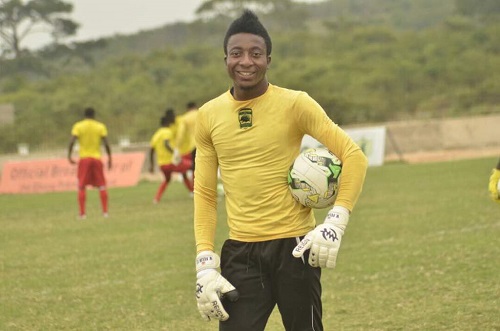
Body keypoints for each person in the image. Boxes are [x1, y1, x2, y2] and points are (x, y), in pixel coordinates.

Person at [193, 10, 368, 331]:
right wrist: (204, 260)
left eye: (255, 54)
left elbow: (353, 155)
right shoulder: (207, 115)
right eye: (237, 53)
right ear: (225, 59)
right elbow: (204, 193)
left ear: (268, 60)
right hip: (241, 254)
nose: (246, 61)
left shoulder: (296, 103)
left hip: (297, 249)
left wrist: (336, 222)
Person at [68, 107, 112, 219]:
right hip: (96, 158)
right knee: (102, 185)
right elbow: (106, 143)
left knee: (82, 186)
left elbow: (72, 140)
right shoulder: (100, 126)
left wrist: (69, 155)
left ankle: (82, 214)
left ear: (84, 115)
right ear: (94, 115)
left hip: (84, 158)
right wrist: (110, 157)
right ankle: (105, 212)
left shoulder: (78, 126)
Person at [149, 110, 193, 203]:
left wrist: (151, 165)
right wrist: (175, 153)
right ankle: (199, 192)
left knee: (168, 179)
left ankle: (156, 199)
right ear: (168, 123)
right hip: (171, 162)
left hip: (162, 165)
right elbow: (166, 144)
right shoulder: (167, 132)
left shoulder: (156, 135)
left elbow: (151, 150)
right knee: (193, 166)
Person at [173, 101, 198, 177]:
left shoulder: (185, 118)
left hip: (194, 145)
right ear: (196, 106)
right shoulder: (202, 113)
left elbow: (180, 134)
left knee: (196, 168)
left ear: (187, 109)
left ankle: (196, 187)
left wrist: (177, 148)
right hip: (207, 143)